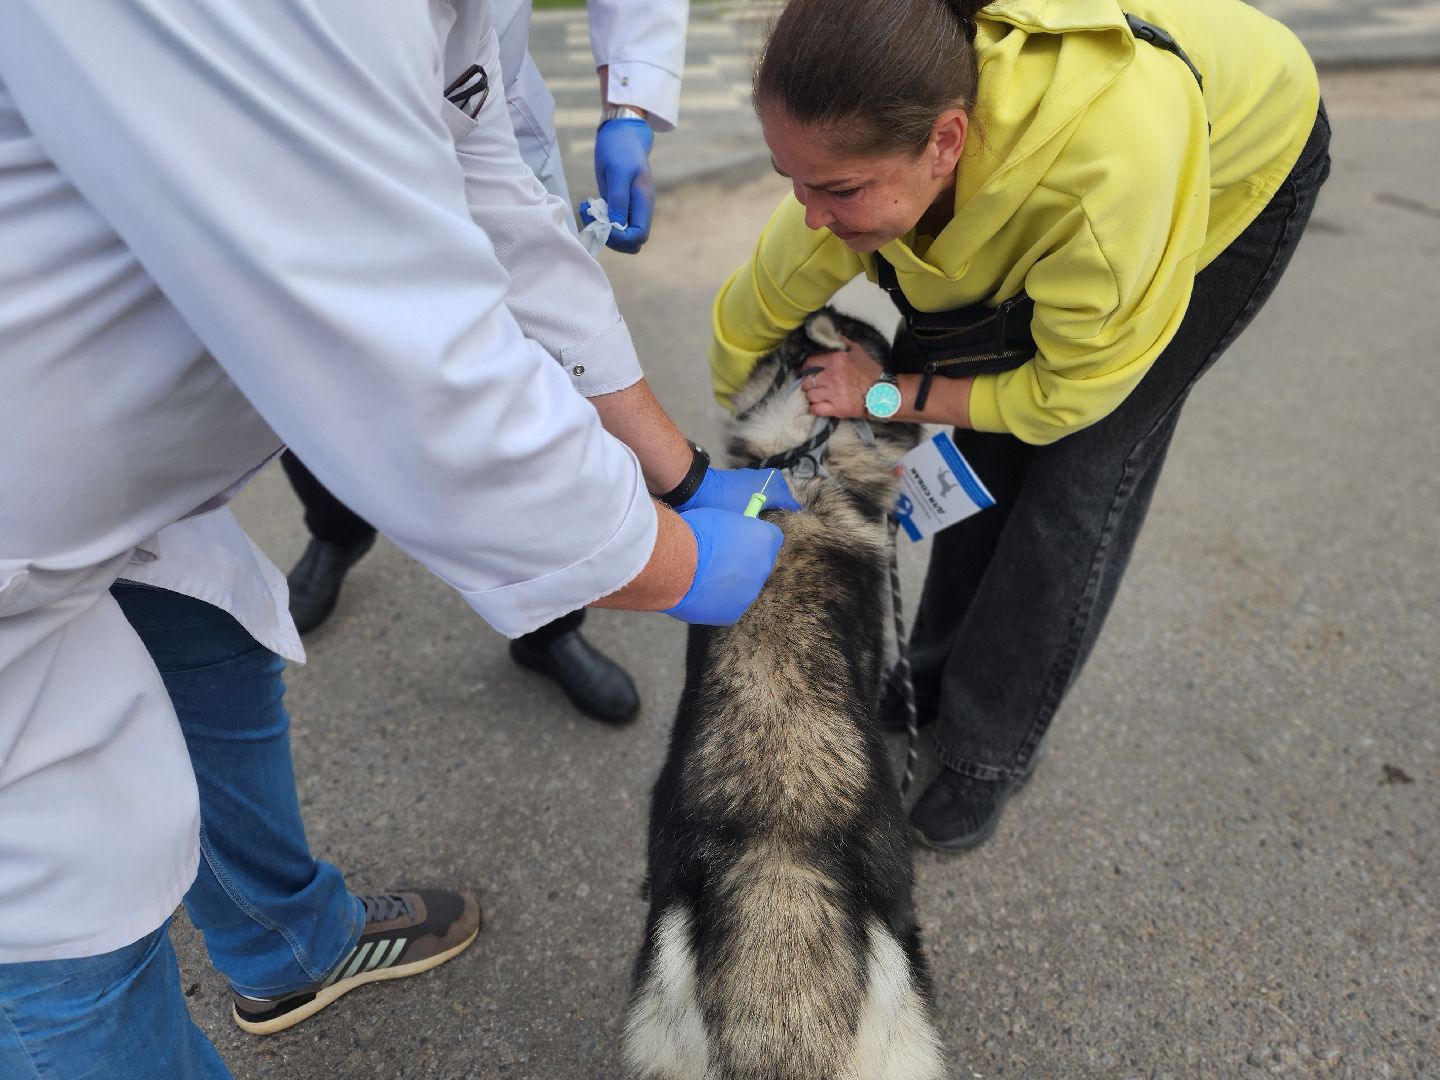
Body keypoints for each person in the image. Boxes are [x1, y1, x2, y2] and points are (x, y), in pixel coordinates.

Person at [0, 0, 793, 1075]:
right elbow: (415, 363)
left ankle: (287, 945)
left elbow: (492, 203)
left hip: (105, 485)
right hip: (23, 530)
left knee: (211, 646)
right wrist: (677, 564)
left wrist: (682, 473)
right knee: (63, 939)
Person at [709, 0, 1330, 850]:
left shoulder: (1110, 182)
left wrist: (885, 395)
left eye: (838, 191)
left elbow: (1062, 400)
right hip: (1063, 179)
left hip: (1237, 167)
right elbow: (749, 313)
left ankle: (987, 748)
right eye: (793, 179)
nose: (812, 213)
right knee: (983, 443)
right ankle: (931, 674)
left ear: (947, 142)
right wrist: (731, 474)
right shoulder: (852, 150)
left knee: (1079, 479)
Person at [282, 0, 689, 726]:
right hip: (301, 190)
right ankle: (336, 528)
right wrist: (676, 562)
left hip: (478, 111)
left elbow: (518, 232)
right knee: (312, 393)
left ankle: (550, 629)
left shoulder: (464, 33)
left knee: (535, 369)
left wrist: (685, 474)